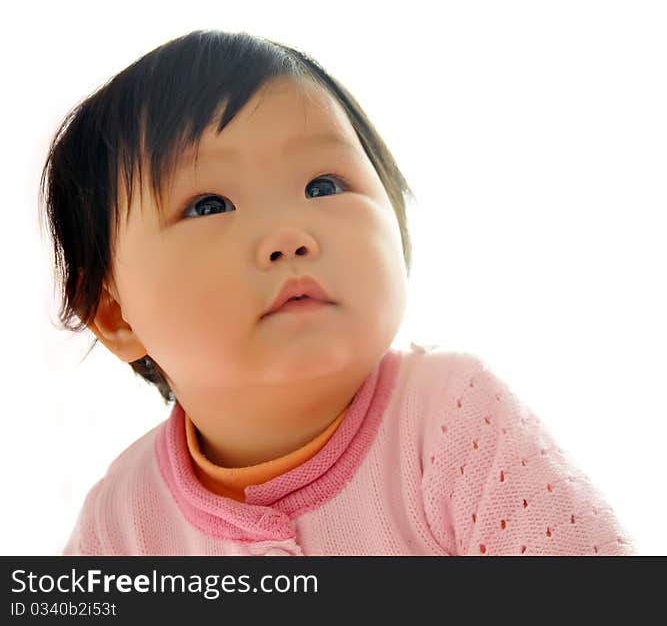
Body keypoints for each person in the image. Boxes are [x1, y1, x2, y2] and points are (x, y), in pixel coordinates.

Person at [41, 29, 636, 555]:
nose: (289, 236)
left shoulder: (450, 420)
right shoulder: (121, 521)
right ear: (117, 315)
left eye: (324, 185)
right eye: (209, 205)